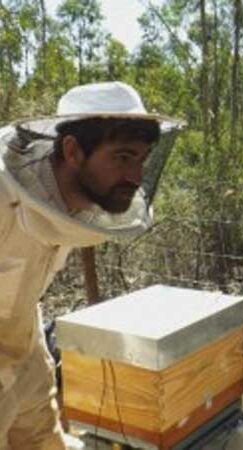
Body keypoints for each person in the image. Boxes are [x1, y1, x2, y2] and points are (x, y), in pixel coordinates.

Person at [0, 81, 182, 449]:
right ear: (72, 150)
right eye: (123, 157)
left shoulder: (64, 198)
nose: (135, 177)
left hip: (21, 340)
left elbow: (21, 288)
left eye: (142, 160)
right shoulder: (5, 201)